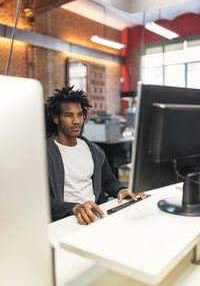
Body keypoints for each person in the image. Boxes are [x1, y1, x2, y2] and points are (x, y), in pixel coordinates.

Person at [45, 86, 146, 225]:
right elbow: (41, 200)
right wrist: (74, 208)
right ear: (56, 118)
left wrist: (121, 189)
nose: (76, 121)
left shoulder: (94, 150)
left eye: (80, 114)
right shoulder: (43, 154)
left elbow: (108, 180)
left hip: (96, 214)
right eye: (69, 115)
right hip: (67, 219)